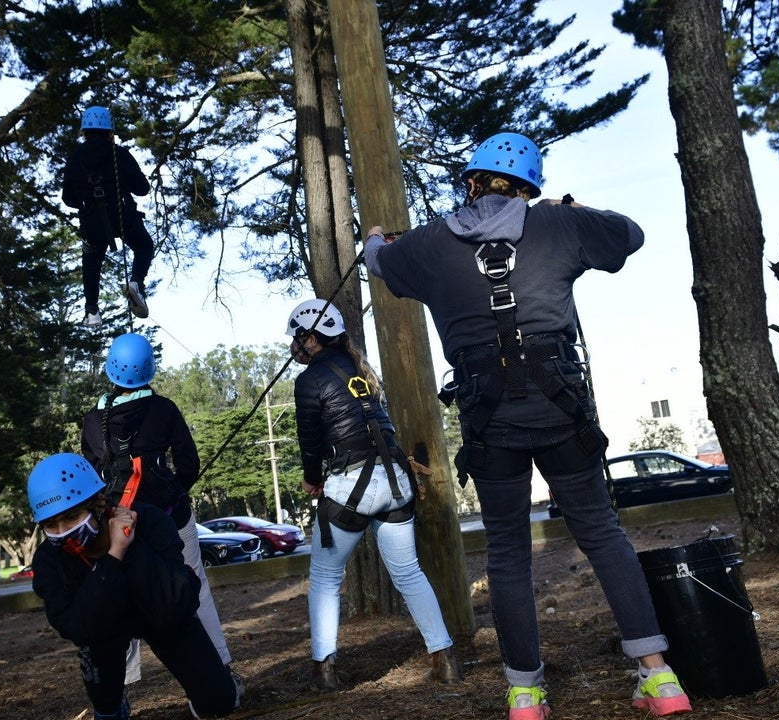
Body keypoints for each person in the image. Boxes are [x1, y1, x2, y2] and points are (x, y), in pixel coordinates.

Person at [363, 132, 693, 719]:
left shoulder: (430, 244)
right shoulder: (556, 224)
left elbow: (382, 265)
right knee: (600, 532)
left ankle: (524, 693)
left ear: (472, 182)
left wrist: (375, 240)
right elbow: (628, 235)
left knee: (509, 553)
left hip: (490, 422)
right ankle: (659, 677)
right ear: (529, 186)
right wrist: (569, 211)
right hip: (560, 409)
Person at [284, 298, 461, 691]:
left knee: (326, 579)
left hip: (350, 485)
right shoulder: (361, 369)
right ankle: (445, 658)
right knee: (409, 573)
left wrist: (313, 478)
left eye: (298, 337)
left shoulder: (308, 380)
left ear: (312, 338)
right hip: (395, 484)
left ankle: (324, 670)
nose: (294, 345)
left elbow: (309, 441)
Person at [27, 452, 243, 719]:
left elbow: (179, 602)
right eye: (51, 524)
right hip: (103, 627)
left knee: (218, 702)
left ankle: (217, 685)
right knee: (105, 701)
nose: (63, 532)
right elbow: (76, 627)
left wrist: (131, 546)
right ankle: (110, 705)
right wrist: (114, 555)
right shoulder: (49, 559)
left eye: (72, 517)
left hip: (160, 614)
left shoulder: (150, 522)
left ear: (99, 503)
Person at [80, 332, 234, 670]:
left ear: (111, 371)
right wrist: (174, 491)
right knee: (195, 585)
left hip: (118, 523)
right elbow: (188, 463)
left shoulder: (93, 420)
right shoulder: (163, 409)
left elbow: (91, 476)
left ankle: (118, 687)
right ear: (149, 370)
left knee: (117, 597)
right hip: (170, 517)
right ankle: (218, 667)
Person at [61, 104, 154, 323]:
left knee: (91, 262)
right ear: (109, 131)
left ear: (84, 131)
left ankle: (92, 310)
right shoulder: (119, 154)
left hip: (92, 220)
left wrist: (87, 200)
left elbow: (68, 198)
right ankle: (136, 283)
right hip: (123, 215)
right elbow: (142, 188)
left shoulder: (75, 158)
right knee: (143, 246)